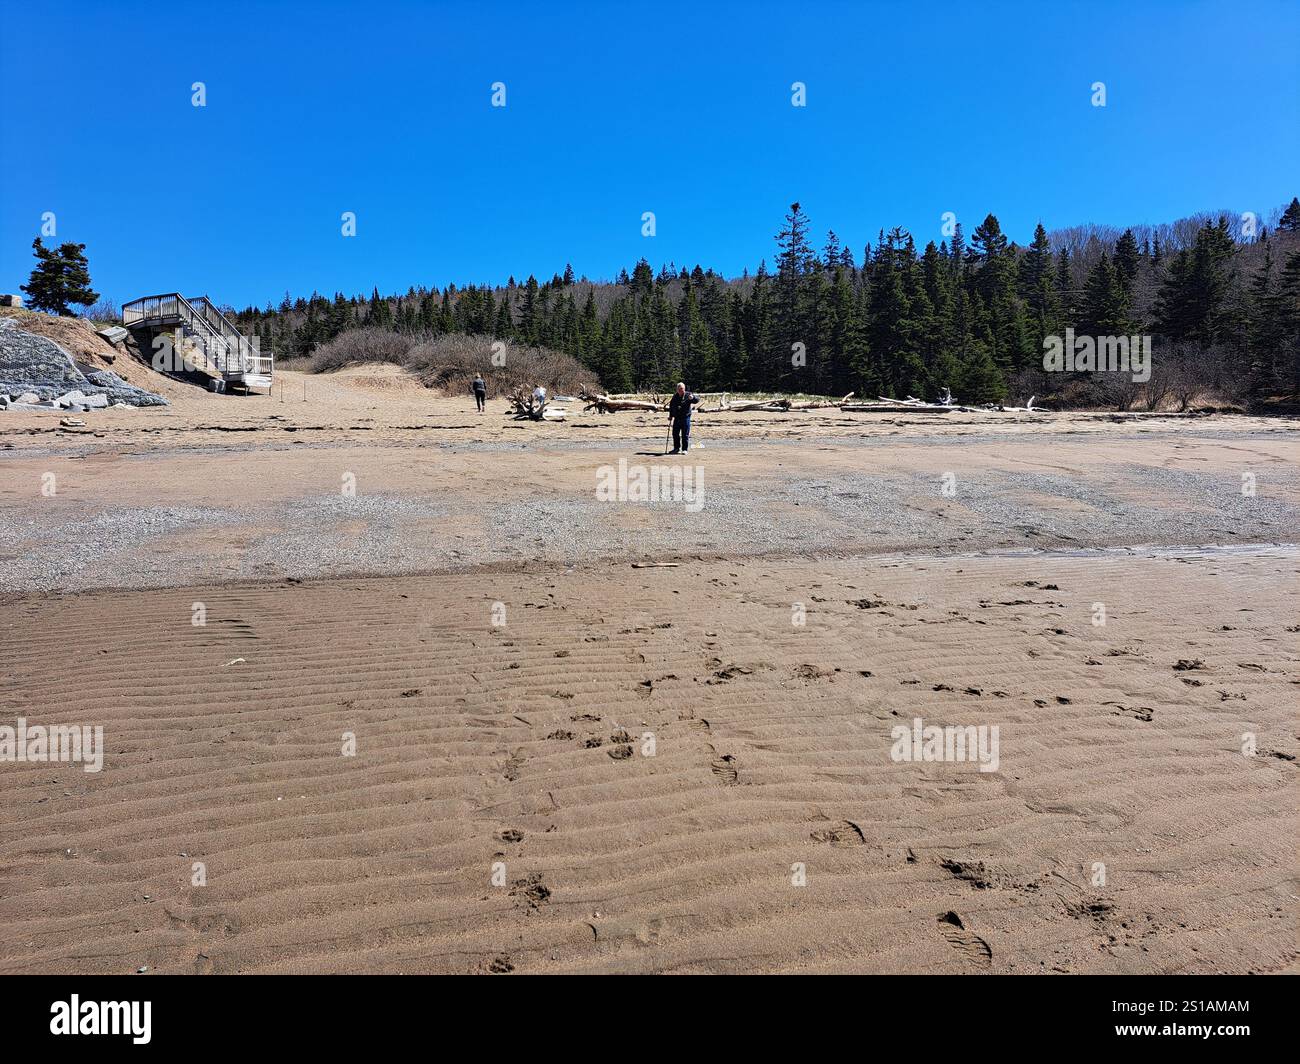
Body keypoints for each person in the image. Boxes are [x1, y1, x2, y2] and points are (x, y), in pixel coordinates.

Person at [667, 382, 700, 454]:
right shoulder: (675, 396)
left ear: (684, 389)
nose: (681, 390)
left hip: (685, 418)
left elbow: (697, 400)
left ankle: (684, 449)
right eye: (679, 389)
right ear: (677, 389)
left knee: (685, 434)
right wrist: (670, 415)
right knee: (675, 434)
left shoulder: (688, 394)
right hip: (677, 418)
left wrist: (693, 397)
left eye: (682, 388)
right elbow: (671, 406)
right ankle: (676, 448)